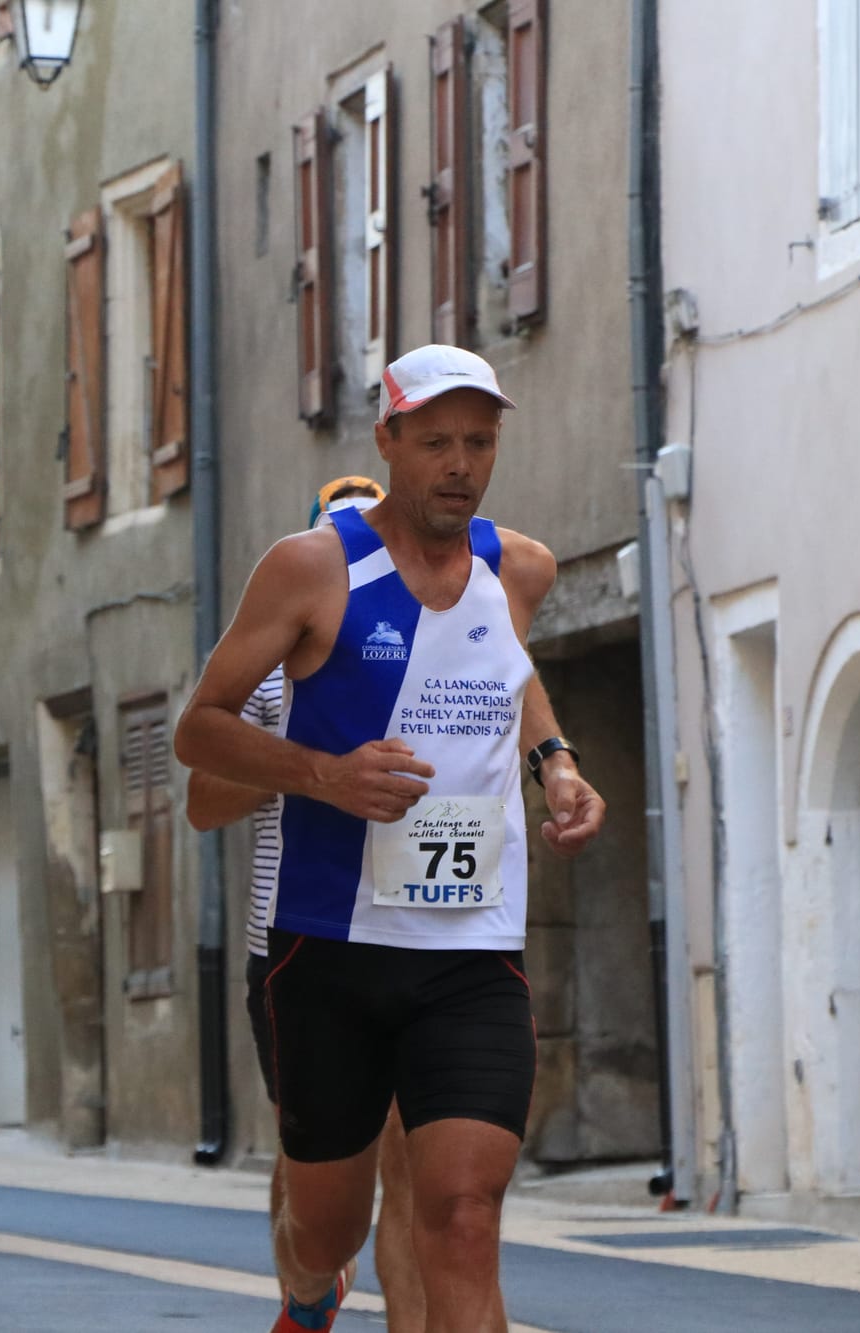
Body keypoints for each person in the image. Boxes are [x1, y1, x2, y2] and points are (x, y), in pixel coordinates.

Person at [175, 345, 606, 1332]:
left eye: (479, 442)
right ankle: (307, 1285)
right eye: (436, 442)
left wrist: (556, 762)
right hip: (326, 950)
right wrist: (323, 774)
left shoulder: (520, 568)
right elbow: (199, 735)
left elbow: (509, 670)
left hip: (469, 951)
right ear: (388, 440)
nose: (459, 463)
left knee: (461, 1214)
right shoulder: (308, 572)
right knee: (328, 1226)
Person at [186, 475, 428, 1332]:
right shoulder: (276, 671)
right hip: (294, 945)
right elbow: (202, 800)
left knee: (411, 1168)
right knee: (315, 1163)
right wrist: (311, 764)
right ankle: (307, 1293)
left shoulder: (436, 647)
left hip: (415, 934)